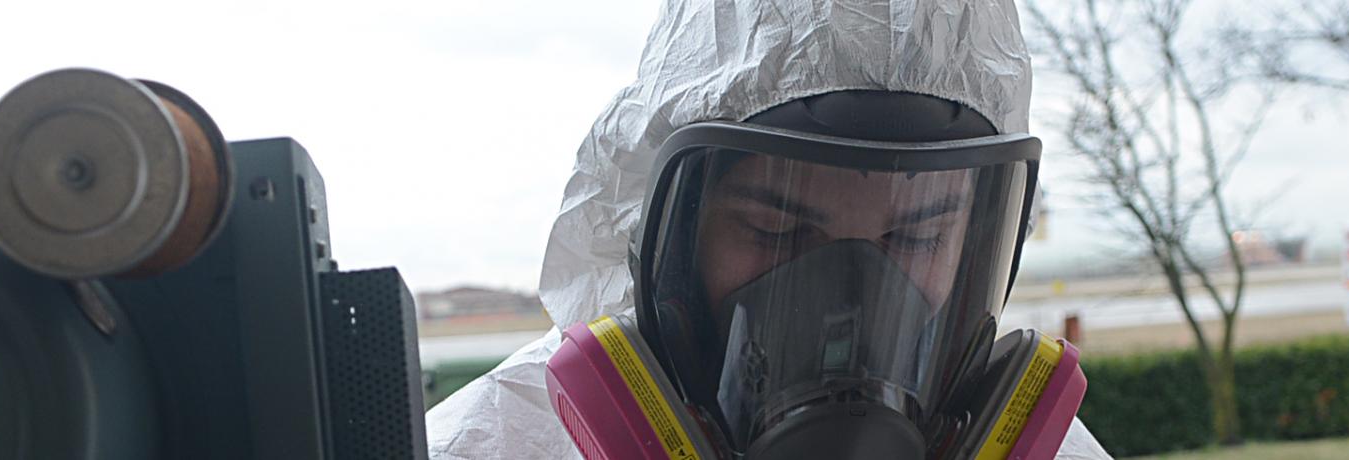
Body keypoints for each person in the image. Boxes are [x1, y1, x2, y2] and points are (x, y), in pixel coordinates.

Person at [426, 0, 1112, 458]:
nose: (856, 302)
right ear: (666, 238)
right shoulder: (493, 443)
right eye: (777, 230)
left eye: (917, 238)